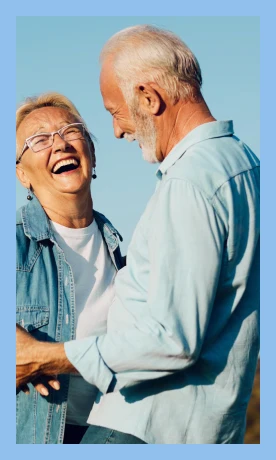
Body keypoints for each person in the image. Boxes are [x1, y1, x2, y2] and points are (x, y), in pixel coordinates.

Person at [16, 25, 260, 444]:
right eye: (38, 139)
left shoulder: (182, 189)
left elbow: (170, 338)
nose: (117, 130)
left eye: (112, 113)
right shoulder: (246, 165)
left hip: (143, 428)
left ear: (149, 98)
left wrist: (43, 357)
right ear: (21, 174)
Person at [15, 92, 126, 444]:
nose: (59, 143)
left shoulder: (128, 259)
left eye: (71, 130)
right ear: (22, 175)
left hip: (108, 435)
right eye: (39, 139)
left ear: (91, 152)